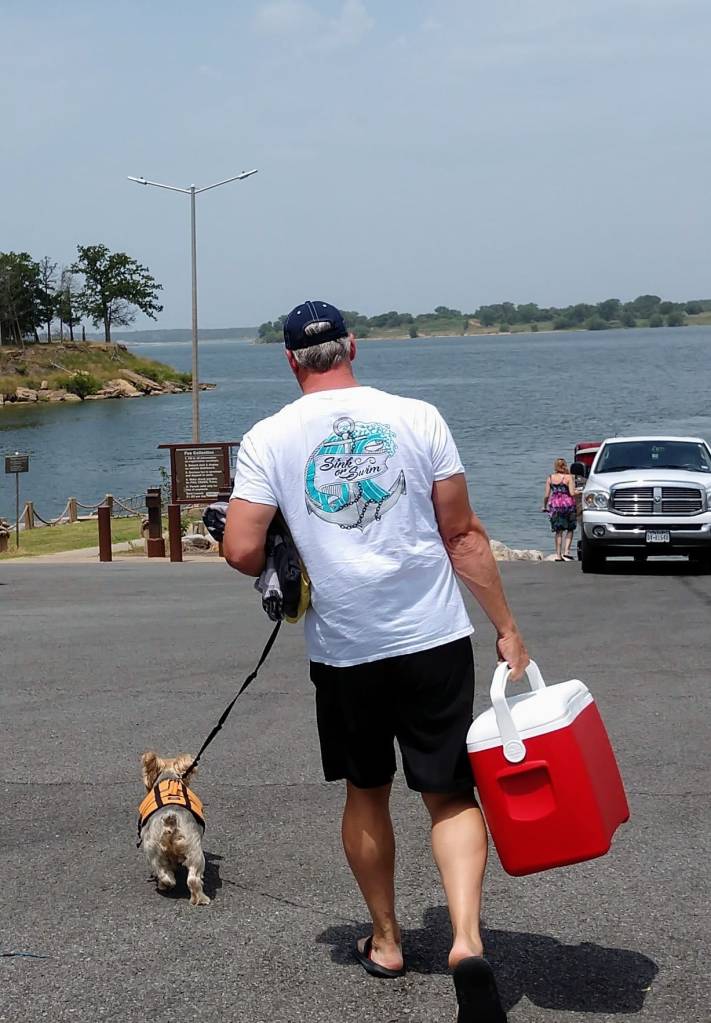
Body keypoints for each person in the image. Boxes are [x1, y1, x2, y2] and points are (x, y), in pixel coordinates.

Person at [224, 300, 529, 1023]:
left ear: (291, 361)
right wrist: (507, 628)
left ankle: (388, 941)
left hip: (346, 649)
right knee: (449, 793)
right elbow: (462, 535)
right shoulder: (418, 418)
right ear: (352, 346)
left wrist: (281, 550)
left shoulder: (267, 437)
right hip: (432, 636)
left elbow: (240, 549)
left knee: (366, 790)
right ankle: (465, 941)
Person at [542, 458, 577, 561]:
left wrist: (544, 506)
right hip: (568, 505)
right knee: (570, 528)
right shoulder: (568, 477)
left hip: (555, 506)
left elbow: (546, 495)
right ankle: (566, 552)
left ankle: (558, 555)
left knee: (558, 531)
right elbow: (572, 493)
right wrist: (581, 491)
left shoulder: (550, 478)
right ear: (565, 465)